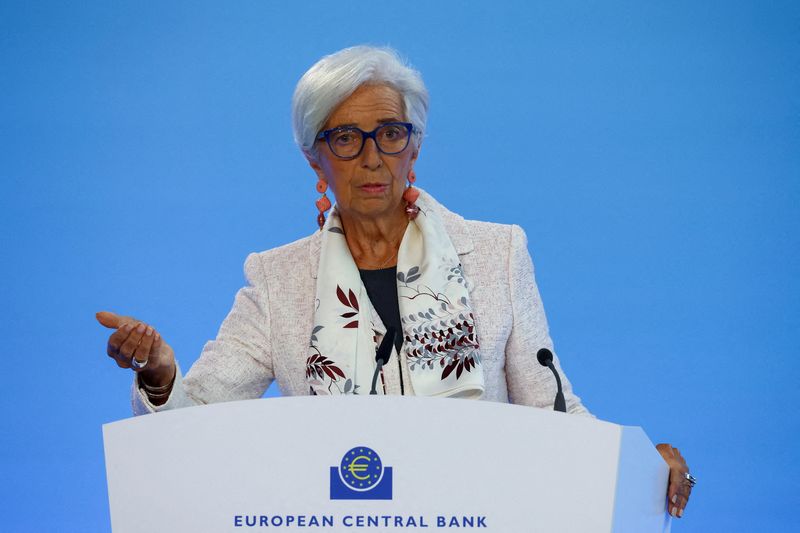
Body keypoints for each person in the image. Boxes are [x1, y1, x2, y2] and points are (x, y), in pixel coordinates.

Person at [96, 45, 694, 518]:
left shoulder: (495, 254)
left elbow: (555, 410)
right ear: (315, 157)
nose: (373, 157)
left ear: (415, 145)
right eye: (347, 138)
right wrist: (159, 374)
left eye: (390, 132)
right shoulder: (277, 280)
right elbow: (196, 420)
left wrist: (640, 466)